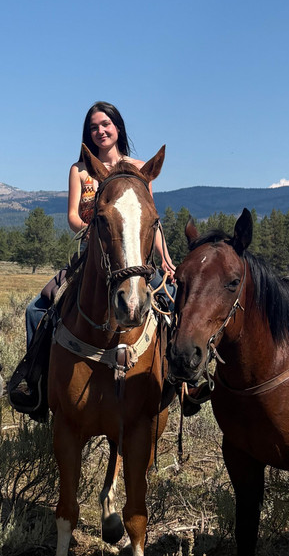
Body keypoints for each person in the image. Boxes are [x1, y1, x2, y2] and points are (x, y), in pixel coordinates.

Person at [10, 102, 176, 419]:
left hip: (136, 258)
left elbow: (149, 219)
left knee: (174, 301)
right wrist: (94, 228)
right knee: (37, 309)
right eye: (93, 127)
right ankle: (36, 385)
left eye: (105, 124)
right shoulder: (81, 170)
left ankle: (179, 379)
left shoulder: (139, 169)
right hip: (93, 256)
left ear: (118, 127)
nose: (100, 131)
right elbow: (73, 215)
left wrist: (166, 259)